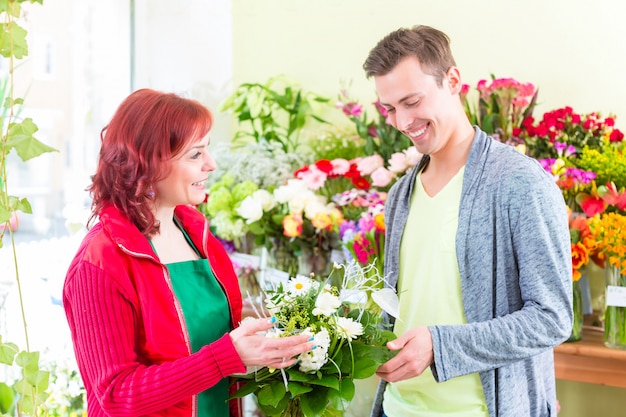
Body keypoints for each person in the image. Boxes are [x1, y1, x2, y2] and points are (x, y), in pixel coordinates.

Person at [62, 89, 314, 417]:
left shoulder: (198, 235)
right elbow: (116, 395)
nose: (211, 165)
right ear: (149, 164)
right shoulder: (100, 262)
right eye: (196, 155)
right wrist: (226, 356)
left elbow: (214, 343)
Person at [362, 26, 572, 417]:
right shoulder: (399, 196)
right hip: (397, 408)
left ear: (453, 80)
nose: (402, 122)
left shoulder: (518, 183)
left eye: (411, 101)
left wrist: (440, 346)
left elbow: (552, 317)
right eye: (389, 109)